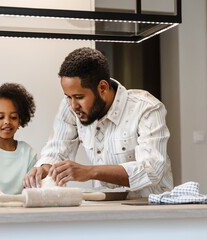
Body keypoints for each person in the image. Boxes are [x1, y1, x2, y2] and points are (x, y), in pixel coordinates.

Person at [23, 47, 173, 199]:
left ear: (102, 87)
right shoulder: (70, 107)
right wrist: (44, 168)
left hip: (151, 209)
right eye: (68, 96)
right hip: (105, 208)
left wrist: (89, 171)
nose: (73, 105)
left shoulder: (146, 108)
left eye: (79, 97)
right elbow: (57, 149)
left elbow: (152, 170)